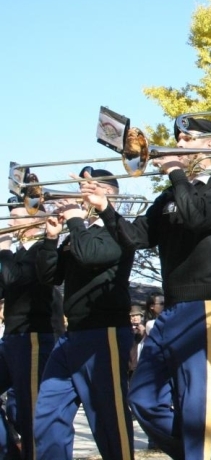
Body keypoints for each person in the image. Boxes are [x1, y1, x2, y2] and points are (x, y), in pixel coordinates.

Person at [85, 117, 211, 459]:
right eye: (178, 138)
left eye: (187, 138)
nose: (179, 143)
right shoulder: (170, 194)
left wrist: (175, 173)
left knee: (199, 405)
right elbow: (135, 238)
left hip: (204, 306)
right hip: (171, 308)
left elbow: (197, 217)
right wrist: (105, 208)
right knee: (142, 396)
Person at [35, 169, 135, 460]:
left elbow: (92, 256)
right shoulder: (80, 233)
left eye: (88, 188)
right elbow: (49, 276)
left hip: (105, 331)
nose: (80, 194)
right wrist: (51, 240)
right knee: (48, 415)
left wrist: (76, 220)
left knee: (108, 420)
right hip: (73, 334)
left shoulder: (118, 230)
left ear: (107, 193)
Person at [0, 205, 55, 459]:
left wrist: (4, 249)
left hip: (31, 336)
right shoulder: (15, 253)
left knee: (30, 408)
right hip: (11, 335)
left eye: (15, 218)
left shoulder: (42, 250)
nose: (9, 222)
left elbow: (14, 278)